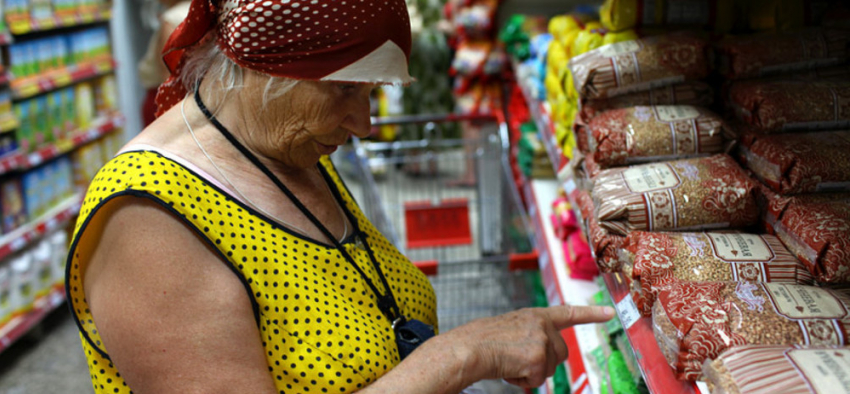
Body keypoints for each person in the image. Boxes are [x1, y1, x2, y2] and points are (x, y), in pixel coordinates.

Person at [65, 1, 614, 393]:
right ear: (267, 67)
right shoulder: (147, 218)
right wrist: (463, 354)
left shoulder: (286, 148)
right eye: (345, 89)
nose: (365, 123)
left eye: (372, 92)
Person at [137, 0, 190, 127]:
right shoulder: (205, 9)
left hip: (164, 103)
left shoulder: (172, 19)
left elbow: (168, 77)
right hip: (192, 102)